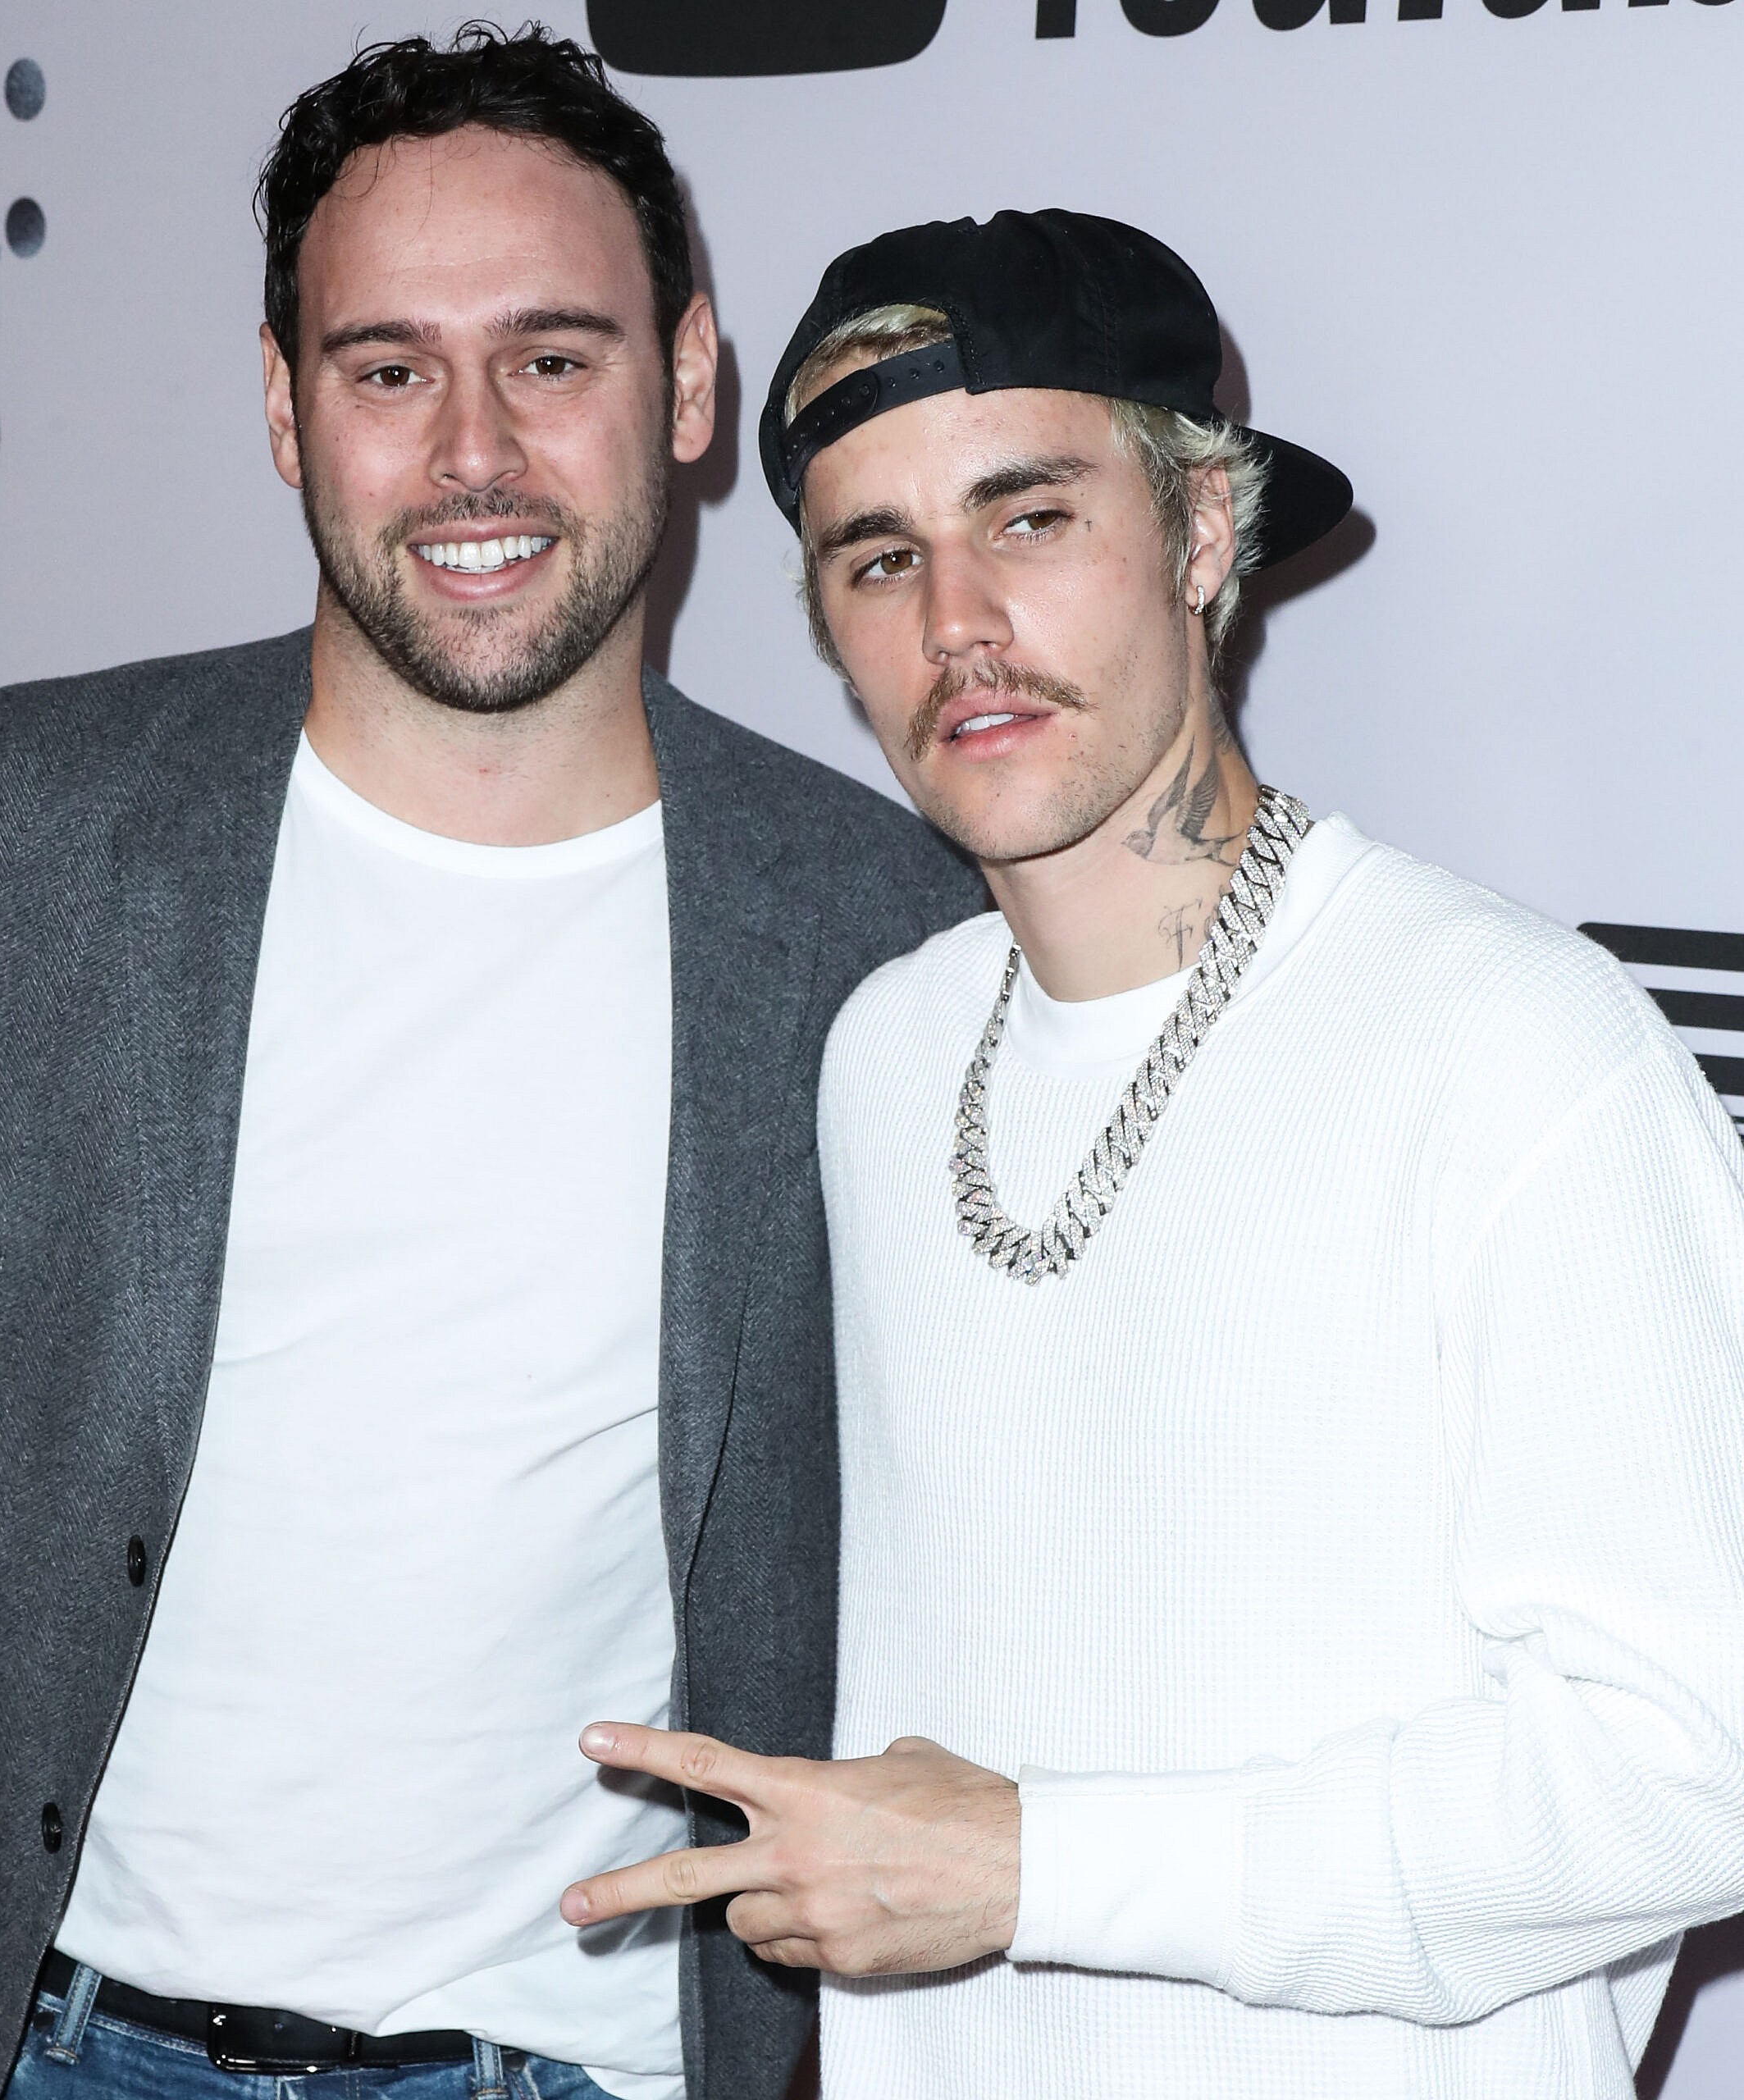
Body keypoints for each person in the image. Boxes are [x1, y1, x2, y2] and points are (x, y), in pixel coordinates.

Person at [0, 33, 981, 2100]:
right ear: (285, 408)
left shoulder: (877, 932)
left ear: (689, 382)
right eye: (385, 369)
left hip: (586, 2060)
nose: (471, 452)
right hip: (33, 2037)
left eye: (551, 358)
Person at [559, 208, 1744, 2098]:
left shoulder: (1512, 1048)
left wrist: (1042, 1863)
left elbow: (1697, 1764)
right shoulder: (882, 1056)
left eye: (1026, 516)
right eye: (878, 556)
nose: (953, 622)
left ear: (1203, 534)